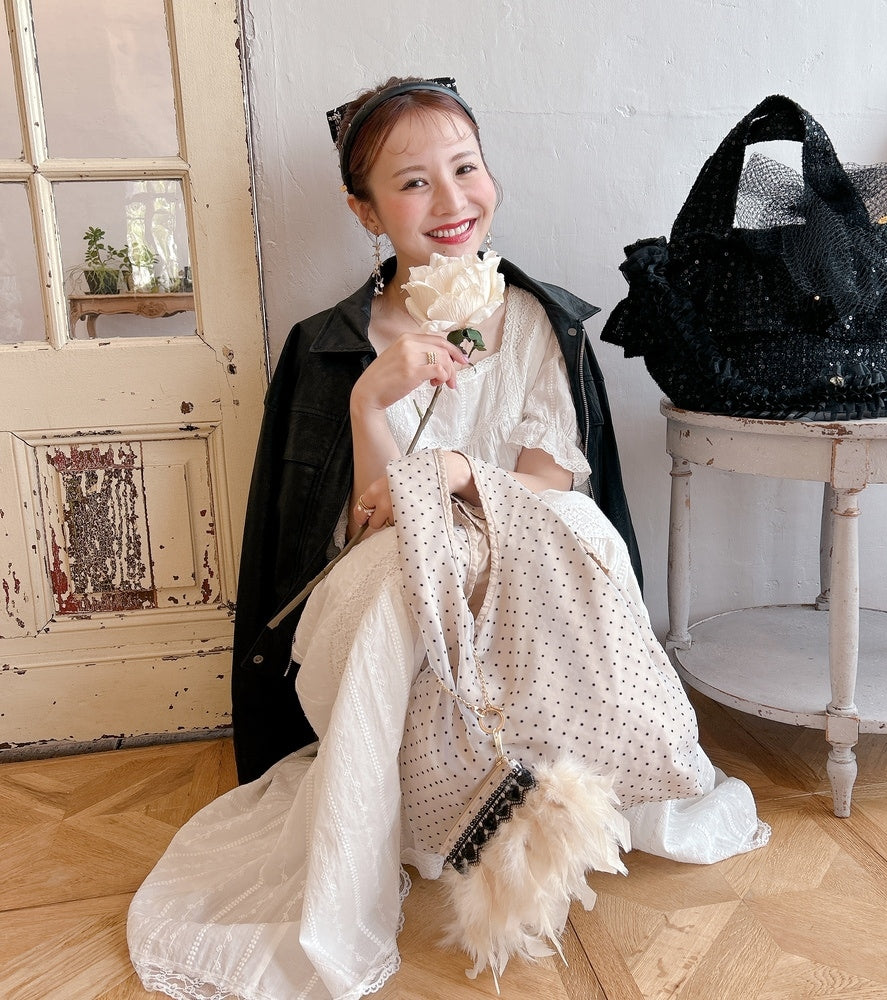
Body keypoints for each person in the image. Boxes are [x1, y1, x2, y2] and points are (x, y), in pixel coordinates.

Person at [128, 76, 769, 1000]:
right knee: (400, 574)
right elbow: (363, 521)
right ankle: (424, 813)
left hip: (524, 548)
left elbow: (555, 481)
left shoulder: (537, 319)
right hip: (393, 565)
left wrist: (467, 476)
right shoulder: (330, 344)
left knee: (559, 526)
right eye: (413, 182)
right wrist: (370, 400)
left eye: (465, 168)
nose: (450, 199)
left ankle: (573, 783)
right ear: (365, 210)